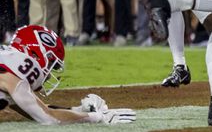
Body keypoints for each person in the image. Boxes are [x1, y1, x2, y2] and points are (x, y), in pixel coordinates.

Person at [0, 25, 136, 125]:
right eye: (50, 63)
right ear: (35, 54)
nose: (47, 74)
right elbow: (49, 118)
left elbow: (39, 109)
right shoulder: (15, 69)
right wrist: (98, 117)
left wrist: (79, 110)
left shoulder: (7, 65)